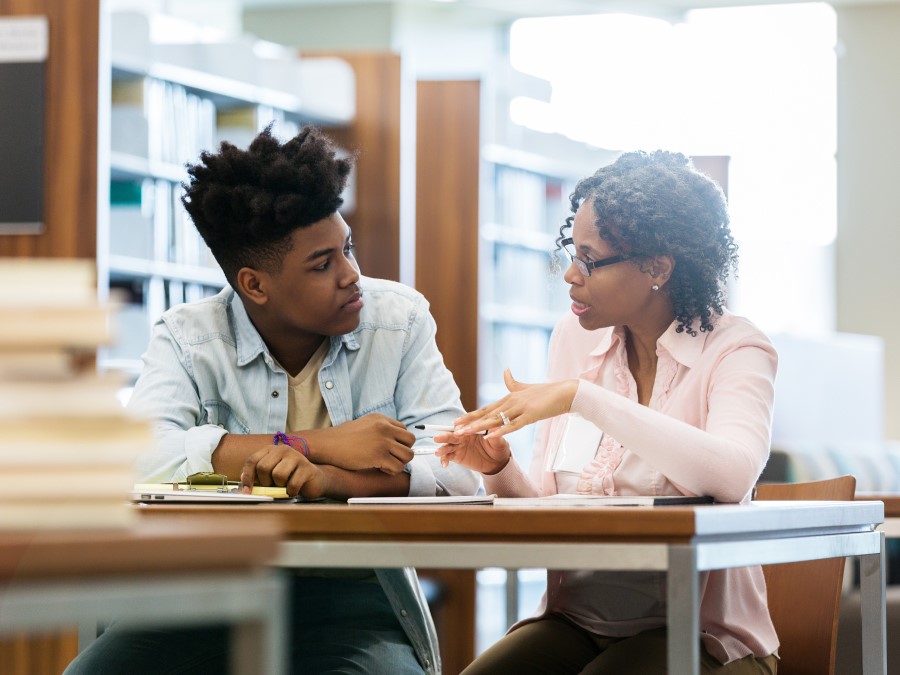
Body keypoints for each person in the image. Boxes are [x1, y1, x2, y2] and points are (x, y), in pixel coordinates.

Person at [64, 125, 480, 675]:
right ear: (254, 285)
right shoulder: (190, 338)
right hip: (205, 594)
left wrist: (332, 479)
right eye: (322, 264)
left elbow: (459, 467)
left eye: (347, 248)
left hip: (355, 598)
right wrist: (314, 445)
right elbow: (138, 458)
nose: (351, 274)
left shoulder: (398, 320)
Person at [436, 150, 779, 674]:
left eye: (591, 260)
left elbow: (733, 474)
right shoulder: (574, 339)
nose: (571, 275)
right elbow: (549, 509)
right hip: (575, 624)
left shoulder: (736, 350)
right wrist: (498, 468)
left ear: (657, 268)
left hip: (703, 638)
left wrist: (584, 397)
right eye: (571, 253)